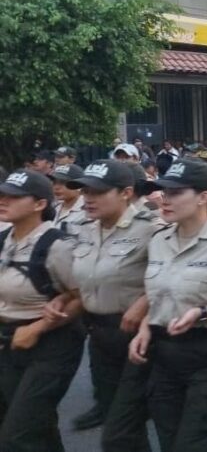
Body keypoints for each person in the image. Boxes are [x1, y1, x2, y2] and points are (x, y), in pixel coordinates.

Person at [128, 158, 207, 452]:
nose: (165, 198)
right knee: (170, 442)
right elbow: (161, 292)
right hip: (164, 358)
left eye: (176, 192)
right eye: (163, 191)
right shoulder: (159, 239)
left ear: (202, 197)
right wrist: (146, 327)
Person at [53, 160, 157, 448]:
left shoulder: (151, 228)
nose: (88, 198)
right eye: (85, 191)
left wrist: (144, 302)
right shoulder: (83, 228)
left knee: (120, 430)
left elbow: (173, 275)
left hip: (138, 335)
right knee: (122, 425)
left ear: (125, 193)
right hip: (98, 336)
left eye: (97, 191)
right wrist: (64, 298)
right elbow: (82, 277)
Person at [0, 169, 84, 450]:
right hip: (10, 342)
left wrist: (38, 328)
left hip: (52, 345)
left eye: (14, 196)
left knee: (17, 435)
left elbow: (81, 296)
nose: (3, 200)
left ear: (39, 204)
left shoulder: (56, 245)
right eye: (2, 194)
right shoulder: (4, 240)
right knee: (36, 425)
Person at [50, 163, 87, 234]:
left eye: (63, 183)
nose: (56, 187)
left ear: (78, 185)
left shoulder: (88, 210)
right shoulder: (54, 208)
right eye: (54, 182)